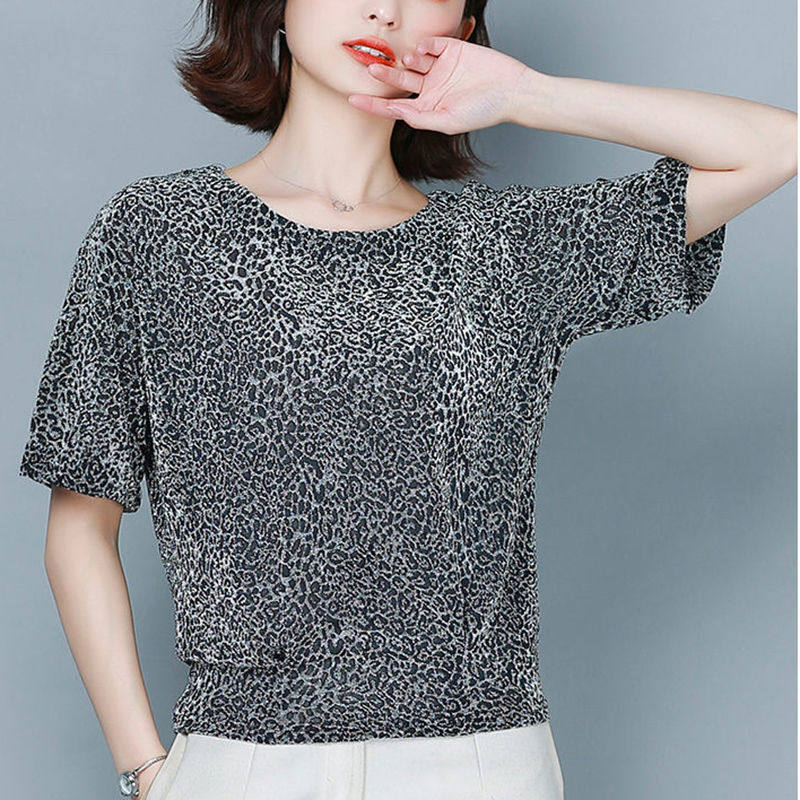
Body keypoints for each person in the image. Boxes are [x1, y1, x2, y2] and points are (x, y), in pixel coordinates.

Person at [18, 0, 795, 798]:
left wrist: (528, 94)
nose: (381, 9)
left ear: (462, 28)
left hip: (478, 764)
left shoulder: (508, 248)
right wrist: (147, 770)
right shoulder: (159, 235)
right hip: (242, 762)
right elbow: (79, 526)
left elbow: (775, 147)